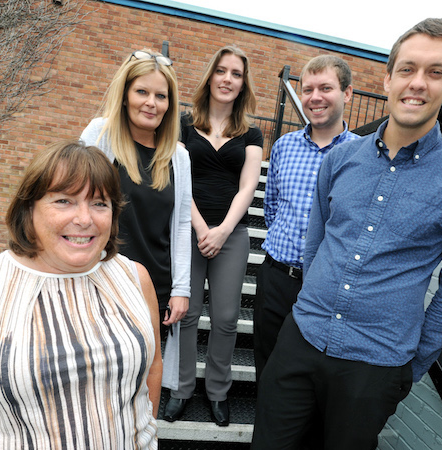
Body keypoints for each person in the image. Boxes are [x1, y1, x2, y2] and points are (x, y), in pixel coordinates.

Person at [251, 18, 442, 449]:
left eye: (435, 72)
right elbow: (316, 242)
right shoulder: (341, 159)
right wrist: (309, 305)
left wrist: (410, 365)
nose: (417, 83)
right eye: (407, 69)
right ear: (387, 78)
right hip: (301, 339)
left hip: (375, 364)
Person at [0, 141, 162, 449]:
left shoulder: (134, 279)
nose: (85, 219)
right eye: (64, 201)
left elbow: (151, 367)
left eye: (99, 203)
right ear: (29, 208)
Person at [162, 45, 263, 426]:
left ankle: (217, 392)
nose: (228, 79)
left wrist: (222, 231)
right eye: (222, 71)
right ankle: (181, 389)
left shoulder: (251, 133)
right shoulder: (185, 125)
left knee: (225, 317)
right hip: (189, 231)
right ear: (211, 76)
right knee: (186, 315)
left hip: (232, 235)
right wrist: (203, 228)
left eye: (236, 74)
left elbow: (248, 187)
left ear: (242, 84)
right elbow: (179, 181)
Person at [254, 54, 359, 380]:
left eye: (325, 88)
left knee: (312, 379)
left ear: (348, 93)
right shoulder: (284, 146)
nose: (314, 97)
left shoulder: (363, 155)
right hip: (276, 279)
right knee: (267, 370)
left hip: (327, 287)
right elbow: (271, 207)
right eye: (307, 88)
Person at [80, 50, 192, 340]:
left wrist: (181, 289)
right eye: (142, 91)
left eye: (161, 96)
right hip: (100, 280)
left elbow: (181, 225)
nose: (151, 103)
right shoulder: (99, 136)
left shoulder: (178, 157)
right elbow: (74, 206)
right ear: (126, 94)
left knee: (146, 379)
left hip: (155, 289)